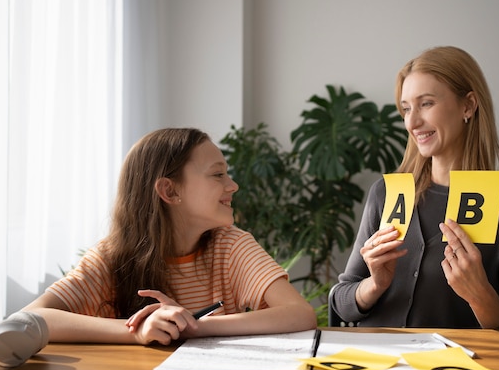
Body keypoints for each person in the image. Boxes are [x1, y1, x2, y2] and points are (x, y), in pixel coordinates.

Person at [23, 128, 317, 345]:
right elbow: (28, 320)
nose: (233, 185)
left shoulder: (231, 246)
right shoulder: (111, 257)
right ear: (170, 191)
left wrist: (194, 326)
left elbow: (300, 314)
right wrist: (137, 331)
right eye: (218, 175)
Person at [330, 46, 499, 329]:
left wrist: (479, 295)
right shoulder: (387, 193)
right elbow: (341, 303)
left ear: (468, 106)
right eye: (406, 108)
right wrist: (374, 284)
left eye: (426, 103)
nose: (412, 122)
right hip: (376, 368)